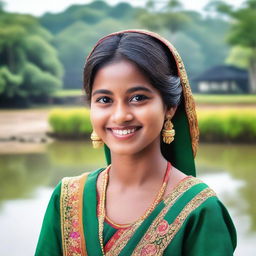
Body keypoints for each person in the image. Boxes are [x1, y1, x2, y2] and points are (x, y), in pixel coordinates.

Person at [35, 30, 236, 256]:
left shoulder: (200, 210)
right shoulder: (67, 198)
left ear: (170, 106)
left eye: (138, 98)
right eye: (104, 100)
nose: (120, 115)